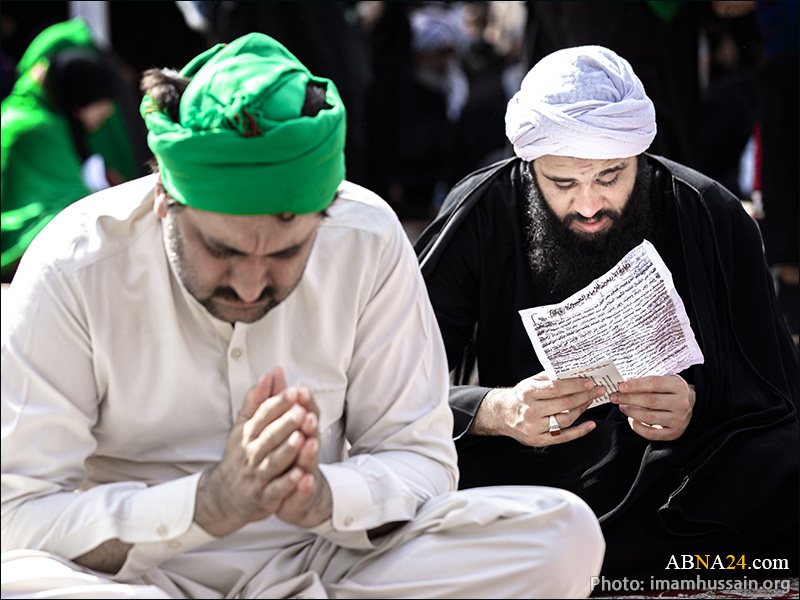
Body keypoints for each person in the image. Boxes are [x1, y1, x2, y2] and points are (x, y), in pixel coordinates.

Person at [0, 33, 604, 599]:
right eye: (222, 249)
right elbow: (18, 515)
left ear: (325, 212)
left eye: (287, 252)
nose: (250, 282)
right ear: (164, 199)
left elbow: (421, 460)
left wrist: (322, 497)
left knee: (562, 535)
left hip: (322, 562)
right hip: (135, 576)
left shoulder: (363, 238)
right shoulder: (74, 263)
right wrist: (206, 505)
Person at [415, 45, 798, 581]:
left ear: (639, 155)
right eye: (563, 183)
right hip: (533, 462)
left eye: (611, 176)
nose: (590, 205)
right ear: (530, 167)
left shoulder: (707, 210)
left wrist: (696, 403)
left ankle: (564, 563)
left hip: (676, 468)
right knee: (411, 478)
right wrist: (499, 410)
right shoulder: (483, 210)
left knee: (781, 468)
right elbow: (394, 383)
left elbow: (775, 388)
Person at [1, 19, 148, 282]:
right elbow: (69, 201)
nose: (103, 117)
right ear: (77, 98)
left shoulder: (48, 118)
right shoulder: (35, 127)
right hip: (19, 243)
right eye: (99, 106)